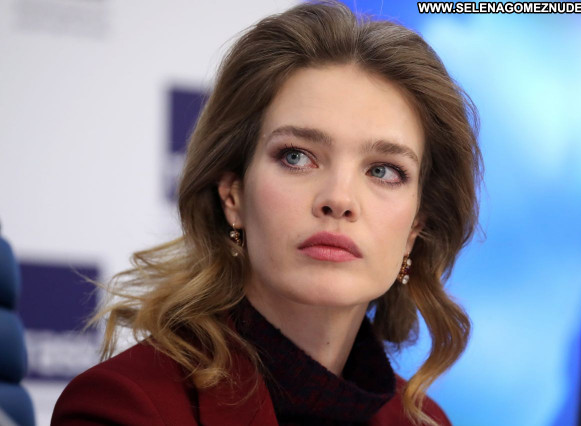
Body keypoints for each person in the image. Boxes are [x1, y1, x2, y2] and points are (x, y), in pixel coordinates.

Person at [52, 1, 481, 425]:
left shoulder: (425, 420)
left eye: (384, 171)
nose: (339, 199)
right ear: (233, 196)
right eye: (297, 157)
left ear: (416, 228)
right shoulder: (122, 407)